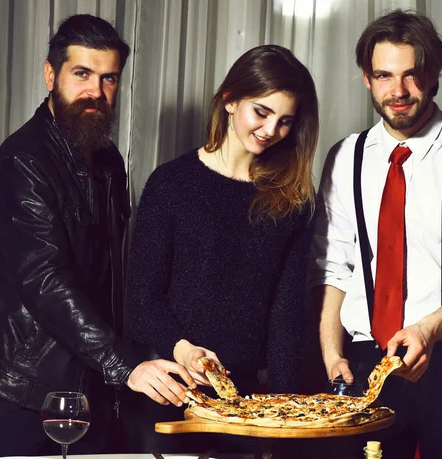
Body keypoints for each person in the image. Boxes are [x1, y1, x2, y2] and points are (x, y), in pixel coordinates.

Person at [0, 14, 194, 459]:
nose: (96, 91)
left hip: (90, 390)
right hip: (20, 393)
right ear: (51, 75)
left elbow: (111, 279)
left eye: (109, 78)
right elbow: (44, 279)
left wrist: (161, 349)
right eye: (82, 74)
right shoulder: (21, 163)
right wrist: (123, 363)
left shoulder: (107, 159)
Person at [310, 9, 442, 459]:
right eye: (383, 75)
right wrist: (332, 353)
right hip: (363, 362)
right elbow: (333, 265)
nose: (398, 91)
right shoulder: (345, 157)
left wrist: (428, 328)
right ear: (366, 78)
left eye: (412, 75)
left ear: (435, 75)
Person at [122, 44, 319, 454]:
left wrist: (281, 420)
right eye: (261, 112)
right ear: (230, 99)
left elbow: (286, 319)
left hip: (245, 406)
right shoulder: (171, 185)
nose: (270, 130)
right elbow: (142, 300)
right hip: (168, 391)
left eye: (285, 121)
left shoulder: (291, 200)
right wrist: (184, 348)